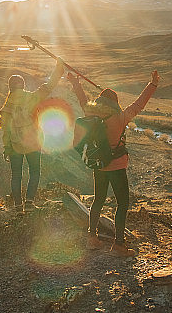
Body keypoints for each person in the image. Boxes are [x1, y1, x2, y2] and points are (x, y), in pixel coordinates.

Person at [69, 70, 159, 257]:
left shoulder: (90, 112)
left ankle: (92, 239)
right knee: (122, 203)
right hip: (117, 166)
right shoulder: (121, 117)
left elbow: (82, 99)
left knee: (98, 200)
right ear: (115, 103)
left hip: (99, 164)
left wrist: (76, 83)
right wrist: (153, 84)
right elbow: (139, 104)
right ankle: (118, 245)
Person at [0, 58, 65, 211]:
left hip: (15, 145)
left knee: (16, 175)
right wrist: (58, 69)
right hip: (33, 142)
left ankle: (17, 205)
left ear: (10, 88)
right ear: (23, 85)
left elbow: (5, 130)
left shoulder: (7, 105)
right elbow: (48, 87)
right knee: (34, 172)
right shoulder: (32, 97)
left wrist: (7, 148)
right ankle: (29, 202)